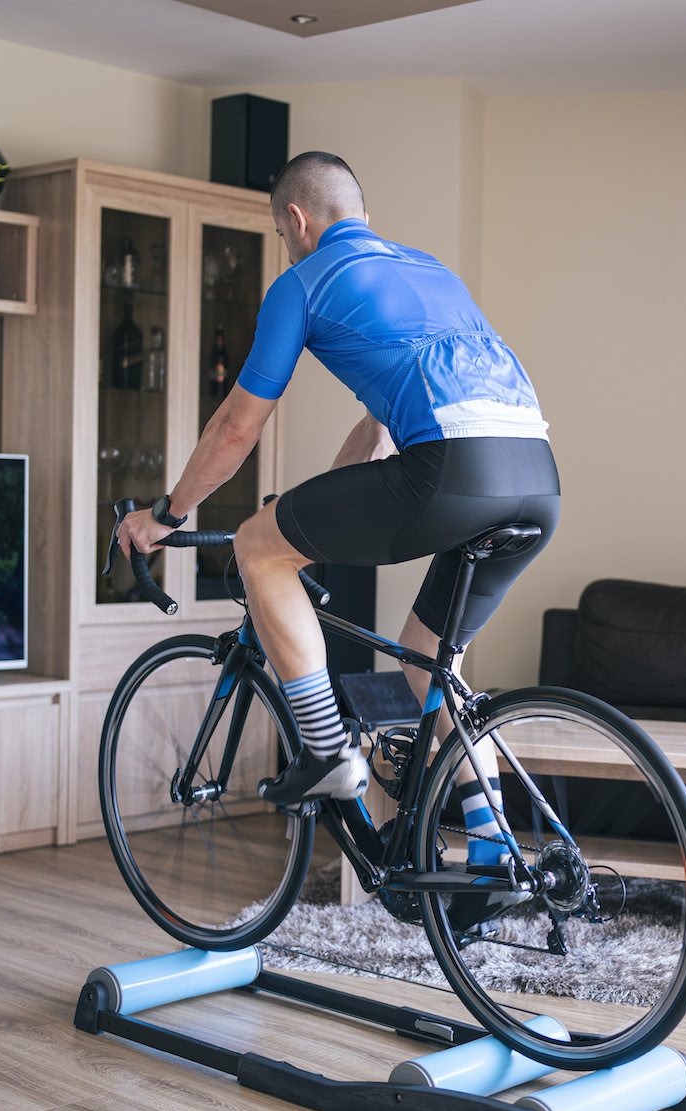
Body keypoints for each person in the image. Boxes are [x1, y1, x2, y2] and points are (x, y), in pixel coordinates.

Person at [117, 150, 558, 870]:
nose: (287, 246)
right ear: (362, 214)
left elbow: (236, 427)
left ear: (295, 220)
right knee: (426, 664)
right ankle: (494, 853)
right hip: (537, 480)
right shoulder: (431, 273)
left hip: (451, 468)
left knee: (258, 545)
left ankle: (325, 751)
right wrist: (311, 522)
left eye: (282, 234)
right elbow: (381, 427)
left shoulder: (304, 282)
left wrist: (167, 514)